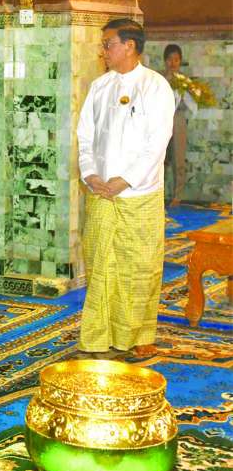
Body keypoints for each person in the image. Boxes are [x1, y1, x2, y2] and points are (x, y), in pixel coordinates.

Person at [76, 19, 175, 358]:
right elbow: (85, 136)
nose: (102, 51)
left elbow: (157, 143)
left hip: (138, 195)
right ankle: (98, 337)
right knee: (101, 265)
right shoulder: (99, 86)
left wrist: (125, 180)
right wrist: (90, 174)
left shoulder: (155, 87)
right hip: (101, 193)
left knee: (138, 267)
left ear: (130, 46)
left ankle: (140, 334)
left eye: (108, 44)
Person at [161, 44, 196, 206]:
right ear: (165, 61)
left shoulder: (184, 81)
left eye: (176, 59)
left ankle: (177, 196)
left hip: (178, 120)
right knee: (160, 160)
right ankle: (157, 194)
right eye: (169, 59)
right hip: (160, 121)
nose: (173, 63)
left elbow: (191, 102)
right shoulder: (158, 79)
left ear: (180, 61)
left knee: (178, 159)